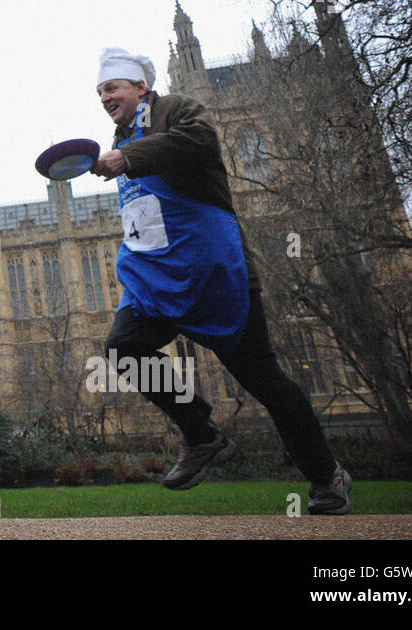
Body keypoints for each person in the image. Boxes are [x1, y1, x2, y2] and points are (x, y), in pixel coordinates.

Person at [90, 46, 351, 514]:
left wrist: (127, 159)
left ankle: (327, 477)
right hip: (156, 281)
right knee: (122, 349)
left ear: (140, 87)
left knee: (267, 383)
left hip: (213, 274)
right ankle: (202, 434)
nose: (104, 96)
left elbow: (200, 142)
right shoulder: (119, 137)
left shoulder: (176, 110)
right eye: (99, 91)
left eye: (112, 87)